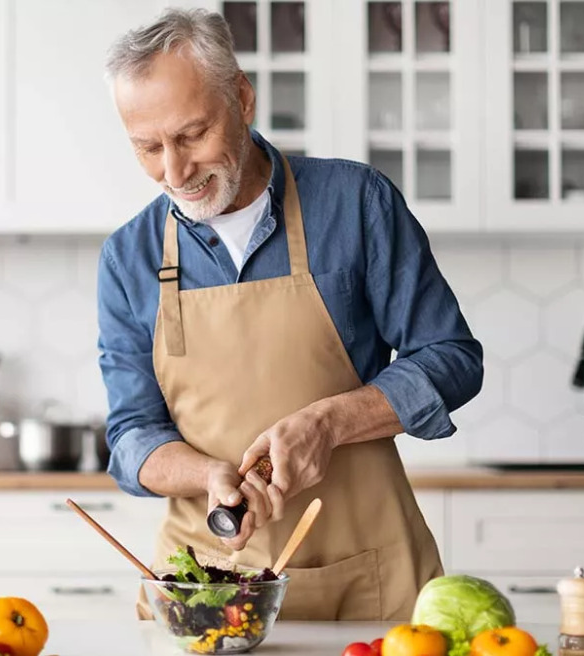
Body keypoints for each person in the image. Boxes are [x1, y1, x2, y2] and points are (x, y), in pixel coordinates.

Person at [96, 7, 483, 622]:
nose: (174, 172)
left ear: (242, 98)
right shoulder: (129, 256)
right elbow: (131, 435)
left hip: (368, 577)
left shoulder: (356, 203)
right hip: (208, 588)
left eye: (192, 135)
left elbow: (453, 359)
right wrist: (208, 474)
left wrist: (329, 423)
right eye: (148, 147)